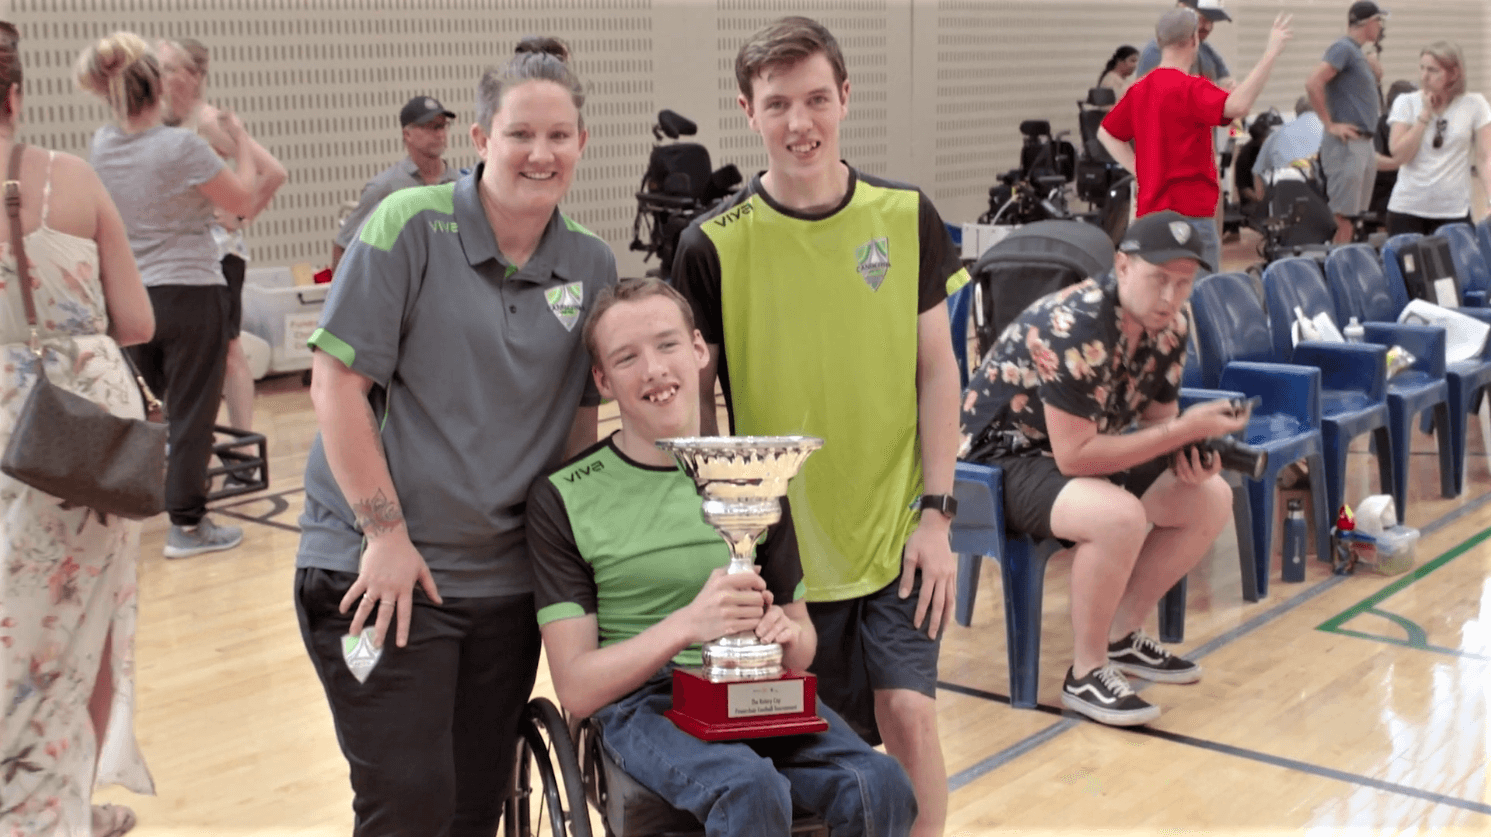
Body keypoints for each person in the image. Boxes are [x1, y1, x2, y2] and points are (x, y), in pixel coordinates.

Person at [293, 37, 616, 837]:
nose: (539, 153)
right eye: (518, 134)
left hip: (505, 589)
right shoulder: (408, 225)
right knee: (411, 804)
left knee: (473, 807)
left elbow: (578, 425)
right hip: (380, 573)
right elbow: (334, 386)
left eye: (557, 136)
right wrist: (386, 534)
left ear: (582, 144)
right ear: (480, 139)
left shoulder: (590, 263)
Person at [673, 17, 965, 836]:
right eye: (776, 104)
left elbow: (938, 368)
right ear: (748, 109)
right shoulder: (711, 244)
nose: (798, 122)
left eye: (813, 99)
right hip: (783, 562)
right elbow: (698, 420)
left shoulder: (905, 215)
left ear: (844, 96)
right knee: (808, 761)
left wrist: (937, 514)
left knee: (910, 716)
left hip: (897, 534)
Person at [528, 277, 917, 837]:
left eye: (666, 345)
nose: (654, 369)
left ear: (698, 349)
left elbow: (803, 649)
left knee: (880, 784)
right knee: (750, 791)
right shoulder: (564, 495)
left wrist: (785, 635)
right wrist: (689, 624)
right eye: (627, 358)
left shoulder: (758, 472)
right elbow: (578, 688)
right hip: (644, 705)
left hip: (757, 693)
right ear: (603, 380)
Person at [959, 210, 1247, 727]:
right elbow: (1076, 457)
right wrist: (1180, 432)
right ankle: (1086, 673)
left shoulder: (1171, 327)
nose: (1170, 297)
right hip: (1001, 455)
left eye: (1183, 284)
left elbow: (1155, 427)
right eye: (1159, 279)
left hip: (1076, 447)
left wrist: (1187, 457)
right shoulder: (1073, 322)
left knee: (1210, 498)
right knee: (1118, 517)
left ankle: (1121, 634)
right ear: (1123, 266)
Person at [0, 22, 156, 837]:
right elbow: (134, 318)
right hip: (79, 429)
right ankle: (62, 807)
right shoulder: (72, 178)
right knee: (84, 629)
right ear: (16, 97)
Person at [77, 32, 277, 558]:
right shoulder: (181, 147)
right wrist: (241, 140)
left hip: (132, 296)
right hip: (190, 291)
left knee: (140, 410)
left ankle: (124, 510)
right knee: (191, 413)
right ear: (158, 89)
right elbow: (242, 202)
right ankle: (187, 525)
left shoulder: (102, 144)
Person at [157, 38, 286, 480]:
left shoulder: (207, 120)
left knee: (230, 352)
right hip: (187, 260)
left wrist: (236, 214)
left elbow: (274, 172)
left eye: (167, 65)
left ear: (190, 76)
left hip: (218, 256)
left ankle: (240, 456)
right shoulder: (165, 123)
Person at [1099, 7, 1293, 274]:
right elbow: (1238, 106)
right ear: (1193, 40)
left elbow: (1106, 133)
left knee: (1163, 303)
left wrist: (1137, 169)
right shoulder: (1191, 88)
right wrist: (1271, 53)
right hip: (1191, 219)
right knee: (1201, 302)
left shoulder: (1140, 90)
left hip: (1150, 217)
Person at [329, 94, 460, 273]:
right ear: (408, 134)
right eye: (430, 127)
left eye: (442, 126)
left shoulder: (461, 186)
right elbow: (344, 245)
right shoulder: (385, 187)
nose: (439, 134)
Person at [1381, 42, 1491, 236]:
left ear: (1454, 73)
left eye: (1433, 70)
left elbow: (1485, 158)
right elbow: (1399, 154)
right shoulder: (1406, 102)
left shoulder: (1475, 104)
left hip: (1453, 210)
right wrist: (1424, 115)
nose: (1425, 76)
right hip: (1407, 209)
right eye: (1422, 68)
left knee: (1454, 266)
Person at [1306, 1, 1389, 243]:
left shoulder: (1356, 53)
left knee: (1353, 219)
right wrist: (1330, 124)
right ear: (1368, 23)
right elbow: (1313, 82)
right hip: (1346, 145)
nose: (1381, 27)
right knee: (1342, 220)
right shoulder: (1342, 48)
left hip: (1362, 143)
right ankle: (1335, 275)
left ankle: (1345, 269)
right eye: (1379, 21)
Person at [1135, 0, 1235, 89]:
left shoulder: (1207, 51)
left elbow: (1228, 85)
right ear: (1182, 10)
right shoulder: (1156, 52)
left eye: (1211, 21)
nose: (1208, 28)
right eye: (1202, 19)